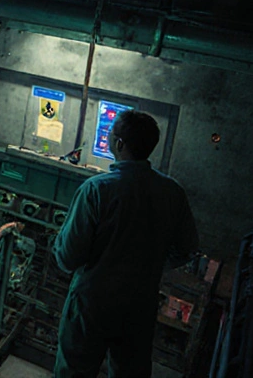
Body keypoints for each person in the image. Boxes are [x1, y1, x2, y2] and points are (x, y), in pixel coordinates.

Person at [52, 109, 198, 377]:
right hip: (139, 306)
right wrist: (149, 264)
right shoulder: (173, 192)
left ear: (118, 144)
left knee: (74, 371)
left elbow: (67, 258)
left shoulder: (97, 189)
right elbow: (187, 249)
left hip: (92, 305)